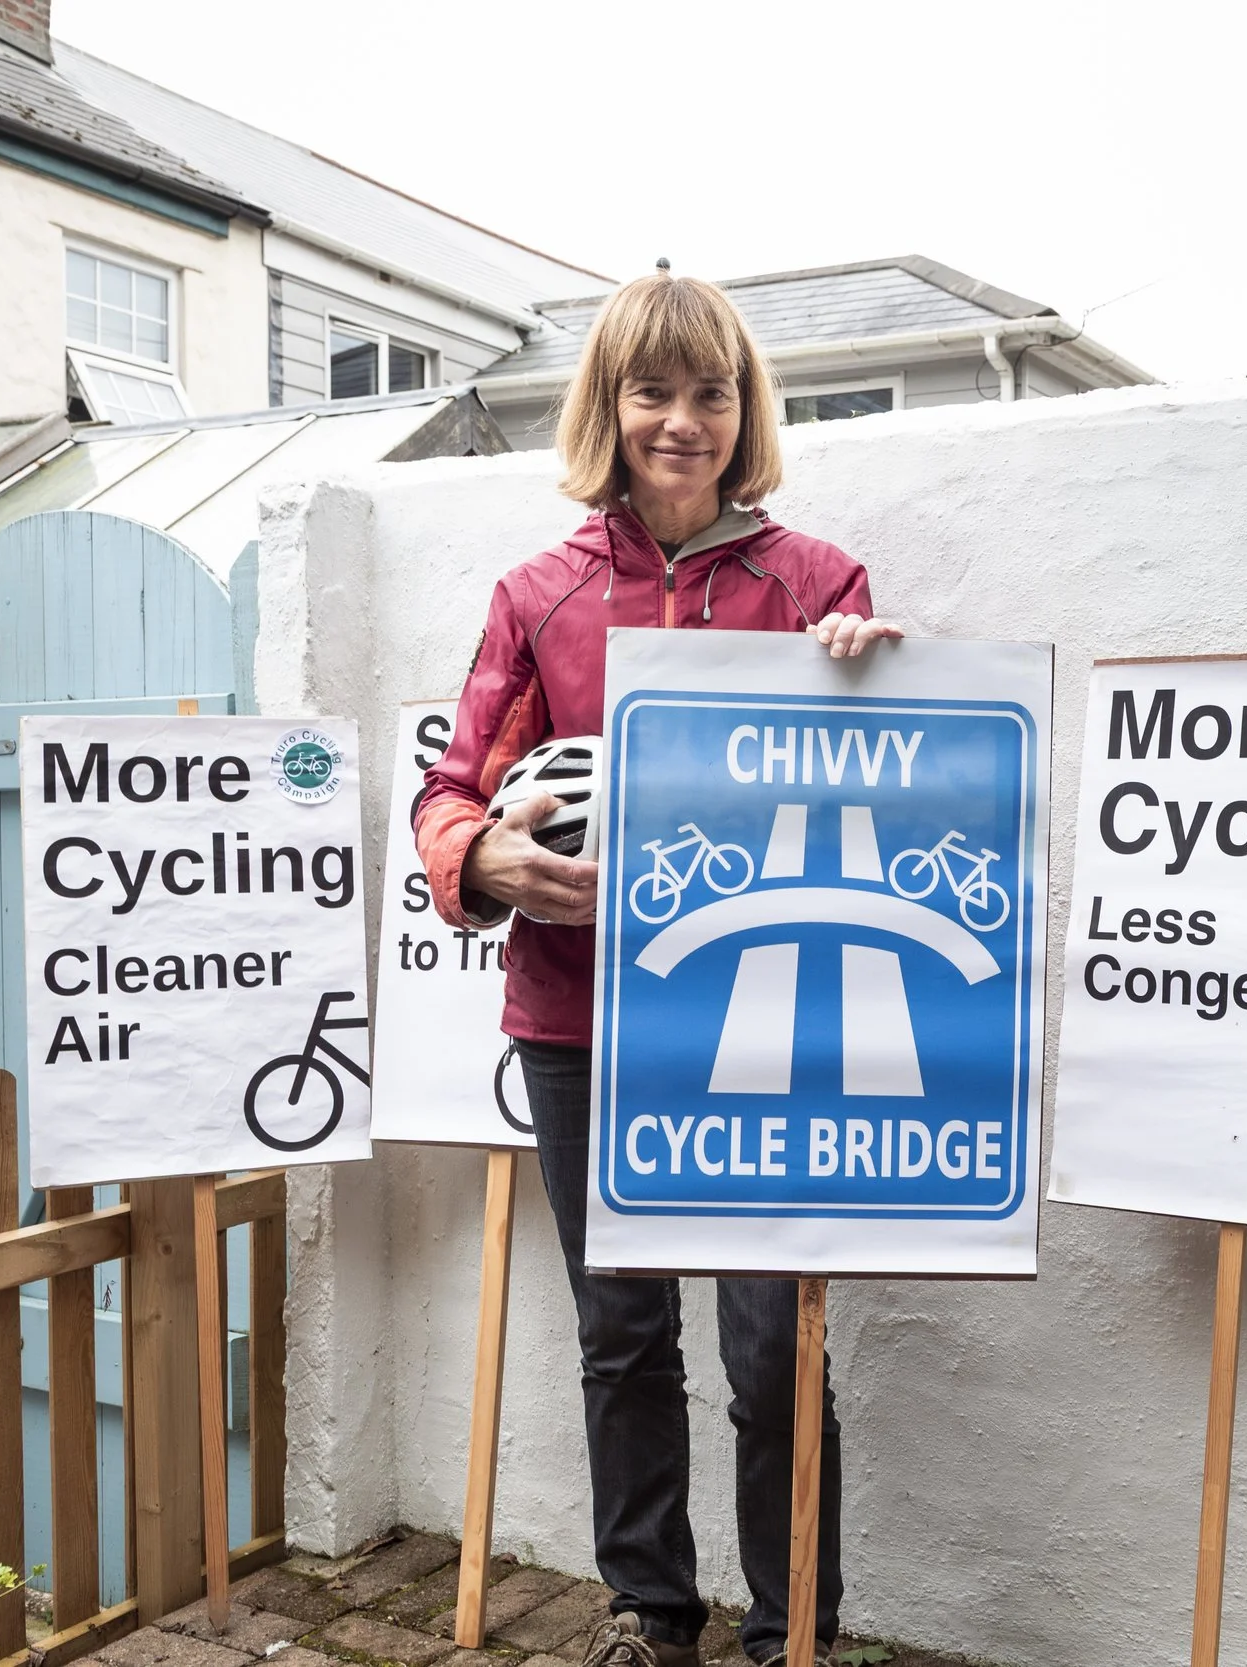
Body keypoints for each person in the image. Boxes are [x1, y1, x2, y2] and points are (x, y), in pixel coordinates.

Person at [413, 271, 901, 1667]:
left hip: (769, 1026)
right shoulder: (538, 594)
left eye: (711, 393)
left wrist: (873, 676)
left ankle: (793, 1626)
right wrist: (484, 858)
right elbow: (453, 791)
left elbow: (893, 774)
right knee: (623, 1331)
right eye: (653, 392)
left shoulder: (819, 587)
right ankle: (651, 1610)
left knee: (771, 1341)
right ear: (609, 408)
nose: (682, 421)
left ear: (744, 410)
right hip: (579, 1023)